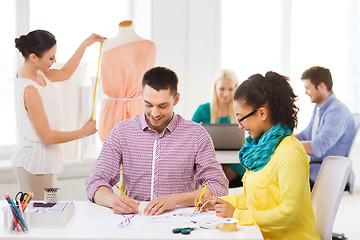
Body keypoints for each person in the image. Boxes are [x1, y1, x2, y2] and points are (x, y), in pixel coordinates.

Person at [86, 66, 228, 216]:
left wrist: (174, 200)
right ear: (142, 96)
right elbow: (95, 182)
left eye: (162, 106)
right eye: (148, 104)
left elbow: (219, 186)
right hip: (136, 220)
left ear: (176, 99)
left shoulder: (196, 135)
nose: (154, 113)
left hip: (180, 223)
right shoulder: (122, 132)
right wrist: (113, 200)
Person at [198, 72, 320, 239]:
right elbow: (257, 199)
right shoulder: (260, 150)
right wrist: (221, 202)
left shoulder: (290, 153)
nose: (240, 126)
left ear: (262, 114)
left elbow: (289, 214)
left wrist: (237, 215)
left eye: (241, 118)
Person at [13, 30, 105, 200]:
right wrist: (82, 133)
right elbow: (47, 136)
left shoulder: (38, 74)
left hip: (45, 163)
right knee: (42, 219)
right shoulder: (29, 90)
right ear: (33, 57)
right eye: (50, 58)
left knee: (47, 216)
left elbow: (65, 73)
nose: (54, 61)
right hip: (34, 165)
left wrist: (86, 43)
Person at [295, 66, 355, 189]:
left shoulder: (337, 111)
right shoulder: (319, 108)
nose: (306, 92)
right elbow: (306, 135)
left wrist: (287, 144)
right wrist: (283, 138)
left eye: (308, 88)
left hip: (327, 174)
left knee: (281, 181)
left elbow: (318, 147)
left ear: (321, 86)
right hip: (316, 168)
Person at [98, 20, 156, 142]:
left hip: (136, 109)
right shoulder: (105, 44)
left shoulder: (148, 47)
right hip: (111, 110)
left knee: (138, 153)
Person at [192, 69, 246, 187]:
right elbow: (189, 135)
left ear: (235, 88)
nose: (226, 93)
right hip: (209, 159)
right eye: (222, 89)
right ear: (215, 88)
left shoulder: (241, 110)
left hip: (235, 162)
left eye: (230, 89)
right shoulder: (203, 110)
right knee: (213, 171)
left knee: (221, 173)